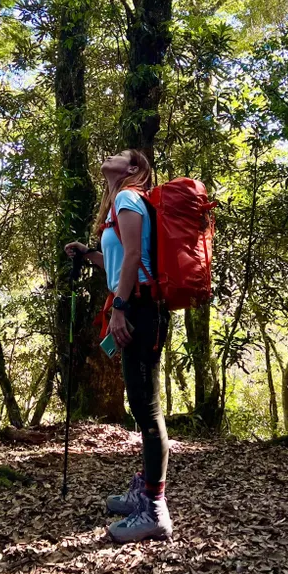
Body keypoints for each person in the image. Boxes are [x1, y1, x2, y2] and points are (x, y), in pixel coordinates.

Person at [65, 149, 172, 544]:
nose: (108, 155)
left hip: (141, 309)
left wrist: (120, 309)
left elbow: (132, 258)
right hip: (140, 306)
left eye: (119, 154)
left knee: (147, 408)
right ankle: (143, 491)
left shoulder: (129, 197)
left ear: (134, 169)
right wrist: (88, 253)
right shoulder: (119, 205)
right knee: (141, 404)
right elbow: (117, 262)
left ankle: (155, 510)